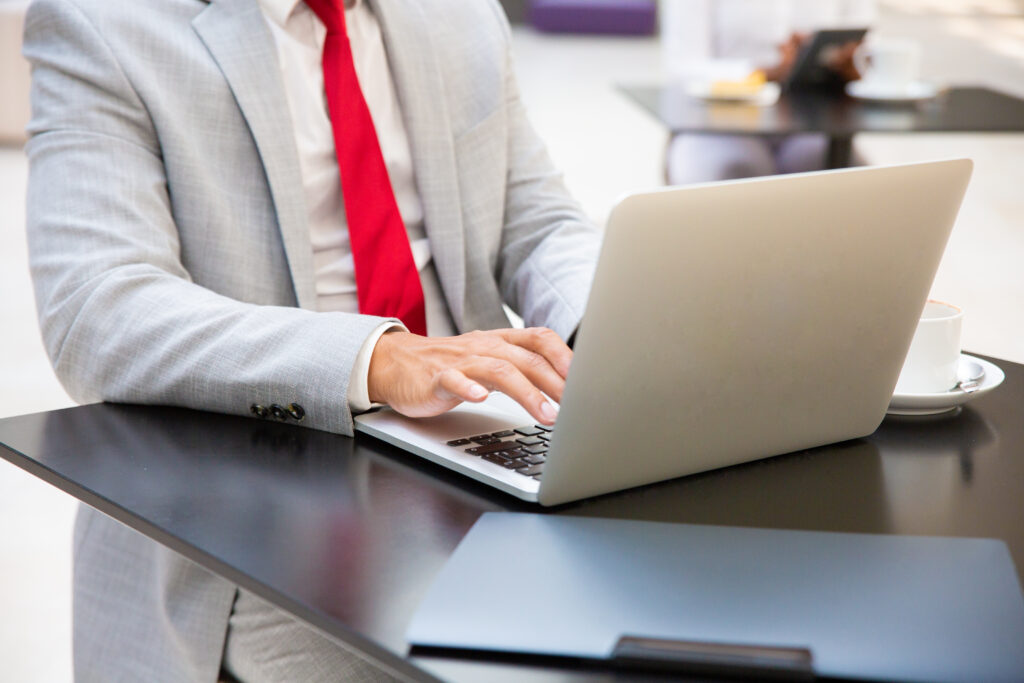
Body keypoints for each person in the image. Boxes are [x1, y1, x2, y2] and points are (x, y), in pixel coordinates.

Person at [23, 0, 601, 679]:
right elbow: (98, 309)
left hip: (473, 455)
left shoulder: (460, 14)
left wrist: (609, 325)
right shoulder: (104, 23)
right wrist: (376, 358)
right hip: (258, 498)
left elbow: (537, 222)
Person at [661, 0, 875, 185]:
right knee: (738, 172)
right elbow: (682, 66)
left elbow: (867, 48)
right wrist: (764, 72)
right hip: (716, 123)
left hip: (811, 122)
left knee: (854, 181)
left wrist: (850, 64)